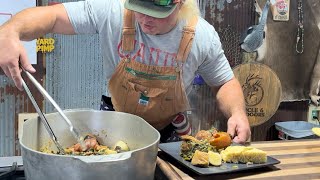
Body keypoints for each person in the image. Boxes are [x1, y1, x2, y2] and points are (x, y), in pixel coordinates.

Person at [0, 0, 251, 143]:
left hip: (169, 132)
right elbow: (52, 16)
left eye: (155, 14)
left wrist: (238, 113)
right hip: (114, 124)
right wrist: (9, 31)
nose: (144, 19)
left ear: (180, 5)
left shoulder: (202, 36)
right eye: (139, 8)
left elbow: (224, 82)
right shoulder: (112, 12)